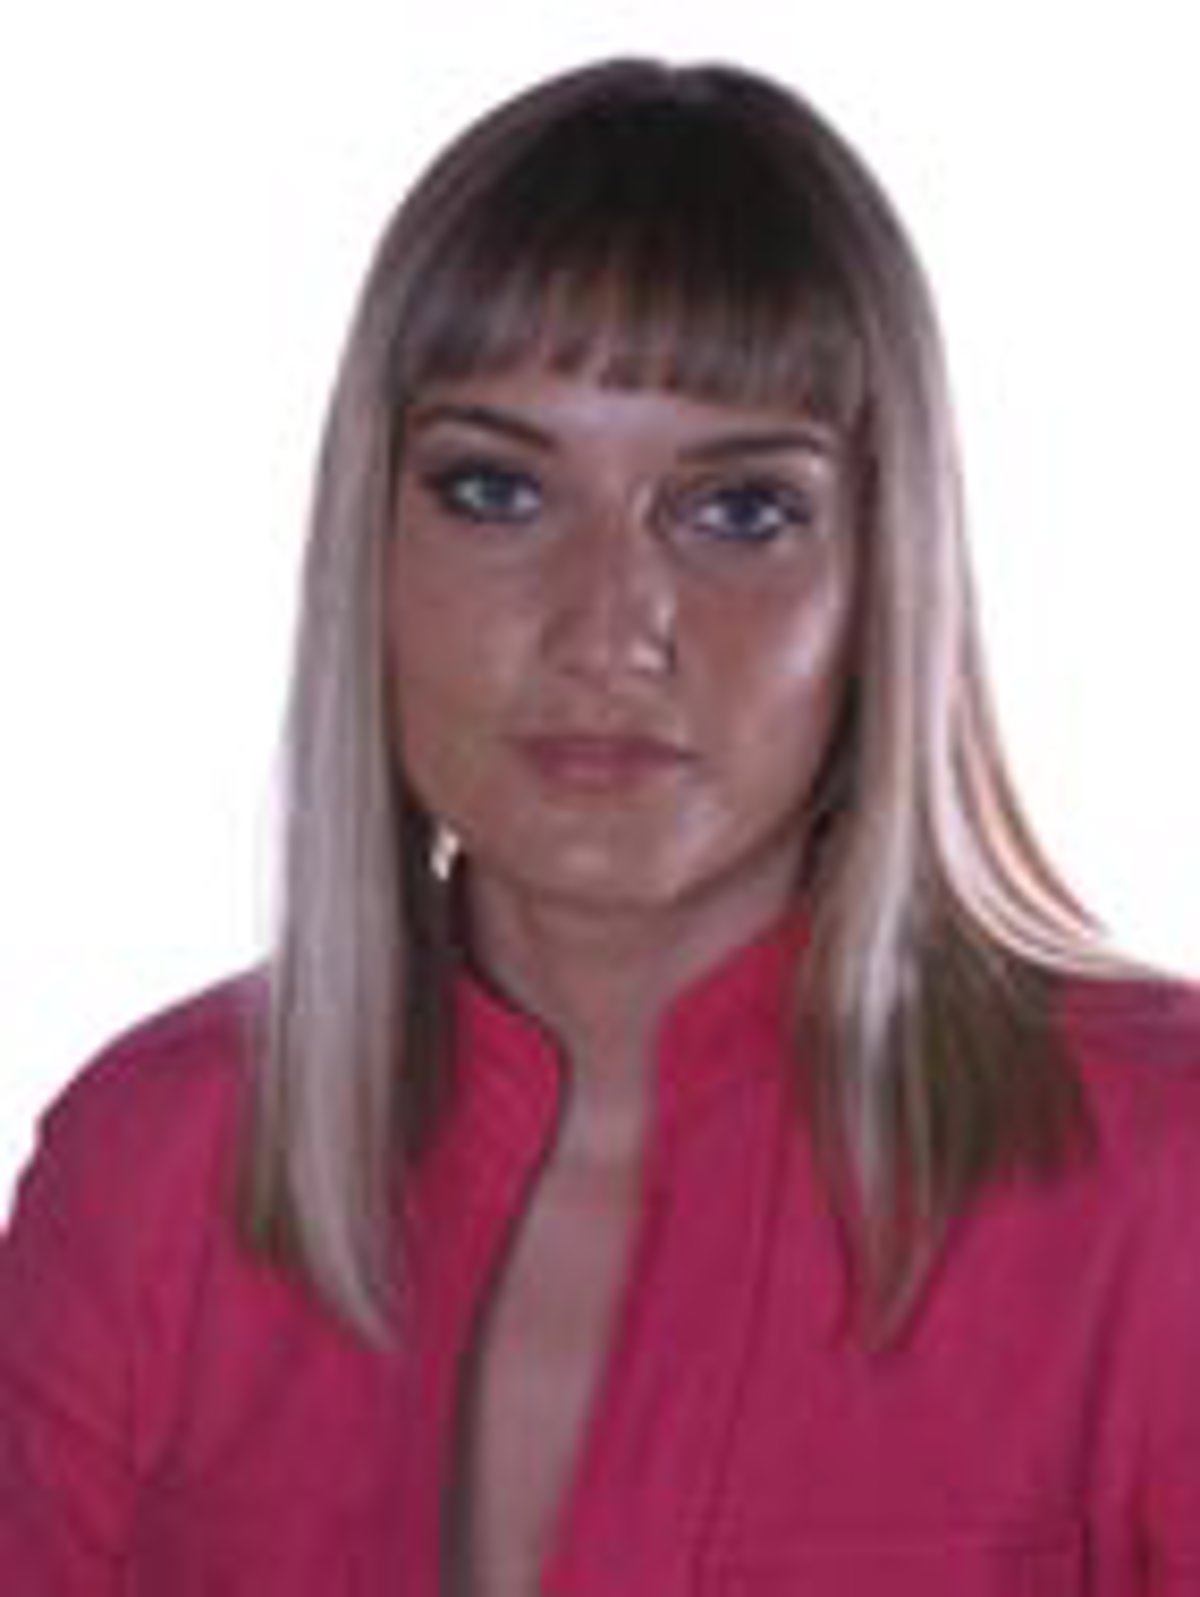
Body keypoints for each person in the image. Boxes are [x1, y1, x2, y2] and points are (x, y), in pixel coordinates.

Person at [1, 55, 1197, 1597]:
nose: (609, 627)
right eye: (496, 490)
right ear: (370, 545)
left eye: (739, 509)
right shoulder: (152, 1168)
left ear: (883, 578)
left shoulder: (1161, 1177)